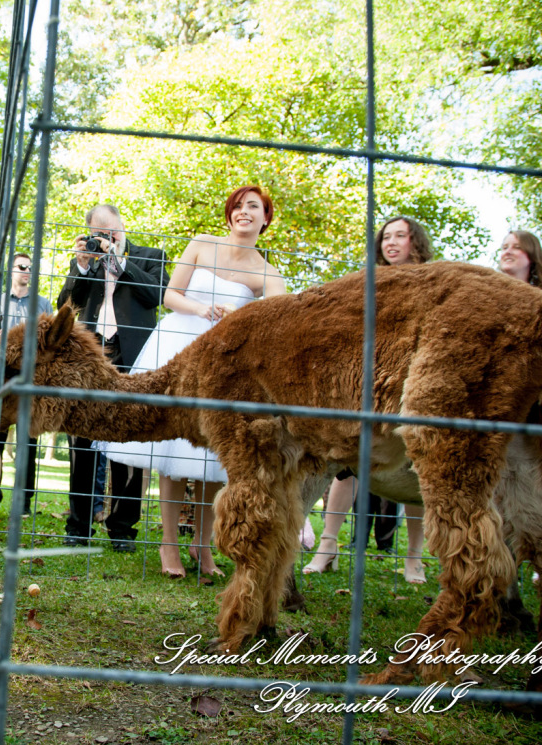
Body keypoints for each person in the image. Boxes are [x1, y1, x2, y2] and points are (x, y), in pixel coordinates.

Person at [104, 186, 286, 577]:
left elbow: (275, 318)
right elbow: (170, 295)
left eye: (253, 207)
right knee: (173, 451)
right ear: (229, 215)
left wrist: (236, 321)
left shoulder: (267, 272)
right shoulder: (203, 244)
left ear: (265, 218)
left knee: (210, 458)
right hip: (178, 346)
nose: (243, 212)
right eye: (237, 206)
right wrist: (203, 309)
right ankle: (169, 544)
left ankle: (202, 547)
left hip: (224, 363)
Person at [304, 215, 431, 583]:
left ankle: (413, 557)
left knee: (415, 465)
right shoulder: (369, 281)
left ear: (415, 242)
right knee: (346, 461)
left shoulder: (432, 281)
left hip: (412, 382)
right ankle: (328, 545)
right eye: (386, 237)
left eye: (400, 236)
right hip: (368, 381)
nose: (391, 243)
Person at [56, 204, 168, 552]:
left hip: (134, 357)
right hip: (90, 358)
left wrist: (118, 259)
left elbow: (157, 295)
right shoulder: (86, 261)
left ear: (123, 226)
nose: (106, 238)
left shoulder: (151, 256)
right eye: (99, 233)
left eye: (112, 231)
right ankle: (79, 524)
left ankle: (122, 528)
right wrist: (82, 265)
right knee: (82, 441)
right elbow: (65, 305)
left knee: (129, 442)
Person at [0, 252, 53, 517]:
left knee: (27, 443)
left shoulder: (43, 304)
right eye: (21, 267)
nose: (26, 271)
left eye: (30, 268)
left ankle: (22, 503)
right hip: (2, 377)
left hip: (31, 379)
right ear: (11, 270)